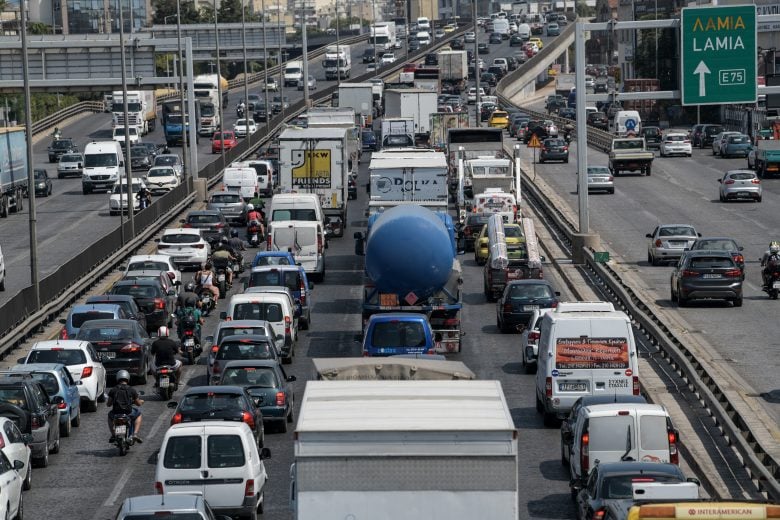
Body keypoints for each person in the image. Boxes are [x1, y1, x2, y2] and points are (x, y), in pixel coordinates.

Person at [107, 370, 143, 444]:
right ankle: (135, 434)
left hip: (116, 413)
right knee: (138, 414)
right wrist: (141, 401)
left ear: (118, 378)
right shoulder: (131, 390)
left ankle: (113, 434)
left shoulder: (113, 390)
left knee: (109, 416)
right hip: (128, 412)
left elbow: (108, 404)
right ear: (127, 378)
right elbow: (138, 403)